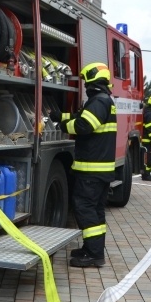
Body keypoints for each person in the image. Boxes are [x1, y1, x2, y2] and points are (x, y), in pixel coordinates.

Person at [50, 62, 116, 268]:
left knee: (85, 208)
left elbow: (83, 125)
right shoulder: (103, 101)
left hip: (92, 171)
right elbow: (81, 117)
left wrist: (62, 125)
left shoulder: (98, 102)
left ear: (92, 81)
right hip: (99, 171)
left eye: (86, 81)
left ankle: (94, 255)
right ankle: (92, 249)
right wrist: (60, 116)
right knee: (95, 211)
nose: (85, 86)